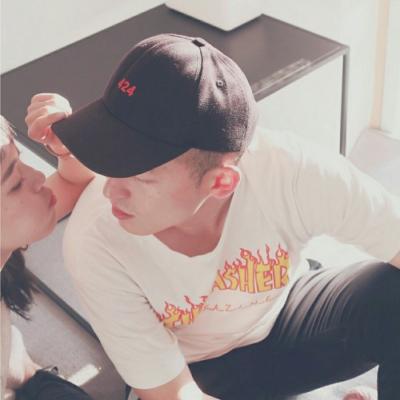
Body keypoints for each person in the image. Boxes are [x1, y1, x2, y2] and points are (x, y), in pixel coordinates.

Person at [45, 34, 400, 400]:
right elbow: (172, 392)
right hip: (194, 368)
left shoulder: (293, 173)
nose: (110, 191)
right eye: (110, 158)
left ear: (220, 183)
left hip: (286, 312)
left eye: (141, 176)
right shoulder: (95, 239)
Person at [1, 94, 95, 399]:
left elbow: (72, 182)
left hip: (25, 376)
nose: (39, 175)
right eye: (14, 183)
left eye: (19, 159)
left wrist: (66, 145)